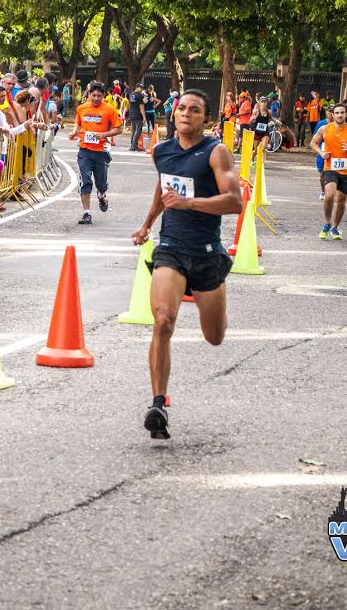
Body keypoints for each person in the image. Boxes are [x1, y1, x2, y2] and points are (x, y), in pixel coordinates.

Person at [130, 89, 242, 440]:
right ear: (173, 113)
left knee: (214, 337)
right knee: (163, 321)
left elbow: (235, 202)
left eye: (195, 110)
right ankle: (158, 403)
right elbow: (163, 190)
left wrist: (190, 203)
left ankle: (219, 291)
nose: (186, 114)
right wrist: (148, 223)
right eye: (181, 108)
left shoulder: (215, 152)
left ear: (205, 119)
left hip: (207, 253)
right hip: (171, 249)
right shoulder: (161, 151)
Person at [70, 82, 123, 225]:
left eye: (99, 96)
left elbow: (119, 129)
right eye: (93, 95)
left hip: (101, 152)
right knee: (85, 181)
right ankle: (87, 213)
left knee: (101, 184)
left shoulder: (109, 110)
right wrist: (74, 132)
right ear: (89, 95)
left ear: (103, 96)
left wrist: (103, 134)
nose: (96, 98)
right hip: (84, 151)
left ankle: (101, 195)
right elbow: (78, 123)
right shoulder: (82, 108)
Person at [310, 104, 347, 240]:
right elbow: (313, 143)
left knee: (342, 200)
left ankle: (336, 227)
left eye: (342, 112)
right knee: (330, 194)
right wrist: (322, 153)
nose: (339, 115)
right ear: (332, 115)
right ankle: (327, 223)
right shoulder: (324, 129)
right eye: (337, 113)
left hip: (346, 170)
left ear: (346, 114)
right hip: (330, 168)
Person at [127, 83, 146, 151]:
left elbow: (131, 104)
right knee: (138, 130)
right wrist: (144, 117)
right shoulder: (139, 95)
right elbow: (141, 107)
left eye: (142, 88)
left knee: (133, 130)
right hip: (138, 115)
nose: (141, 89)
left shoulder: (131, 94)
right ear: (137, 87)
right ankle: (134, 145)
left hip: (132, 114)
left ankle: (132, 145)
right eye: (140, 88)